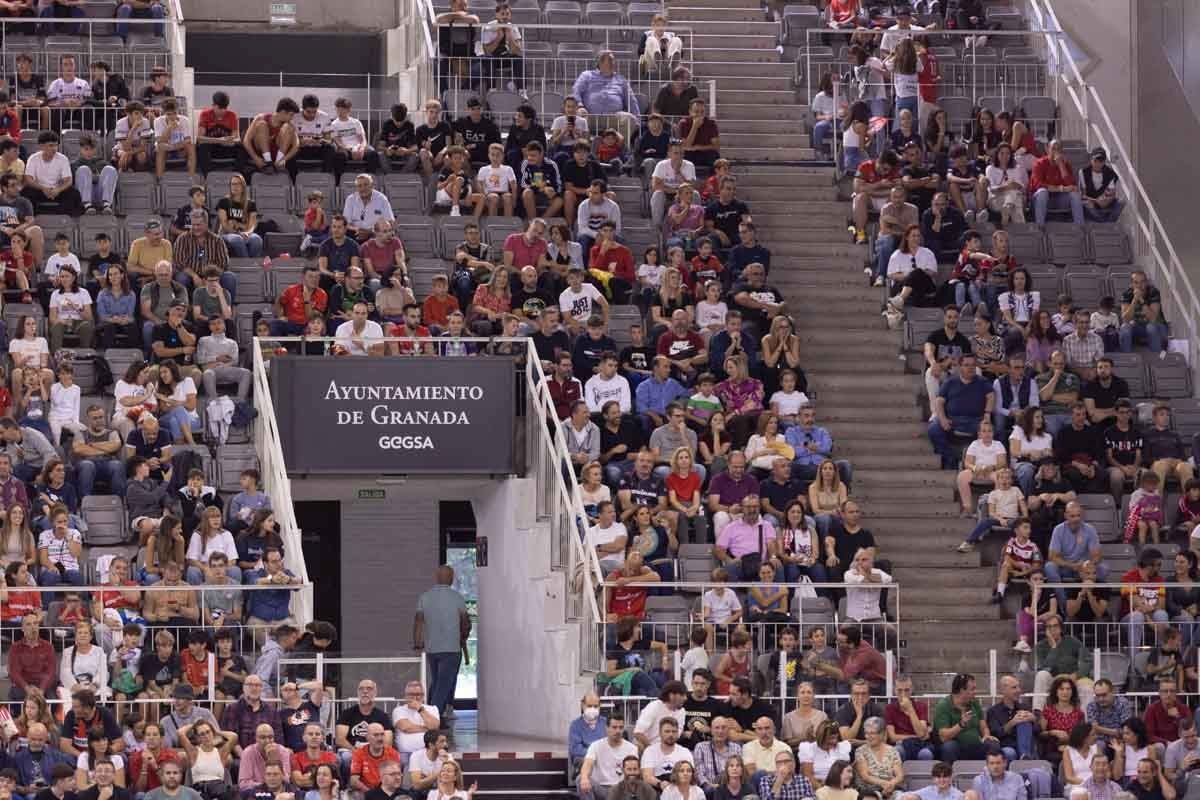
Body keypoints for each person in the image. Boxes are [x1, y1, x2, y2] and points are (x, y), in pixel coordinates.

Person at [413, 566, 470, 718]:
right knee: (443, 685)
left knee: (438, 682)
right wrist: (463, 636)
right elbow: (465, 623)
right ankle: (433, 717)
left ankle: (440, 711)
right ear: (451, 578)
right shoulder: (457, 597)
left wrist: (418, 643)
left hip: (432, 649)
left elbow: (418, 622)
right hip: (451, 649)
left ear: (437, 578)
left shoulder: (425, 597)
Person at [1079, 146, 1123, 223]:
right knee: (1087, 204)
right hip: (1091, 200)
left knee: (1120, 203)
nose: (1098, 163)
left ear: (1104, 161)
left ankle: (1103, 221)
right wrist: (1096, 201)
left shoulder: (1110, 173)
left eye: (1101, 161)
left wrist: (1106, 201)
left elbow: (1111, 194)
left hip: (1104, 201)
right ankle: (1106, 222)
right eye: (1095, 160)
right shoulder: (1083, 172)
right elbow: (1083, 195)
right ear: (1091, 159)